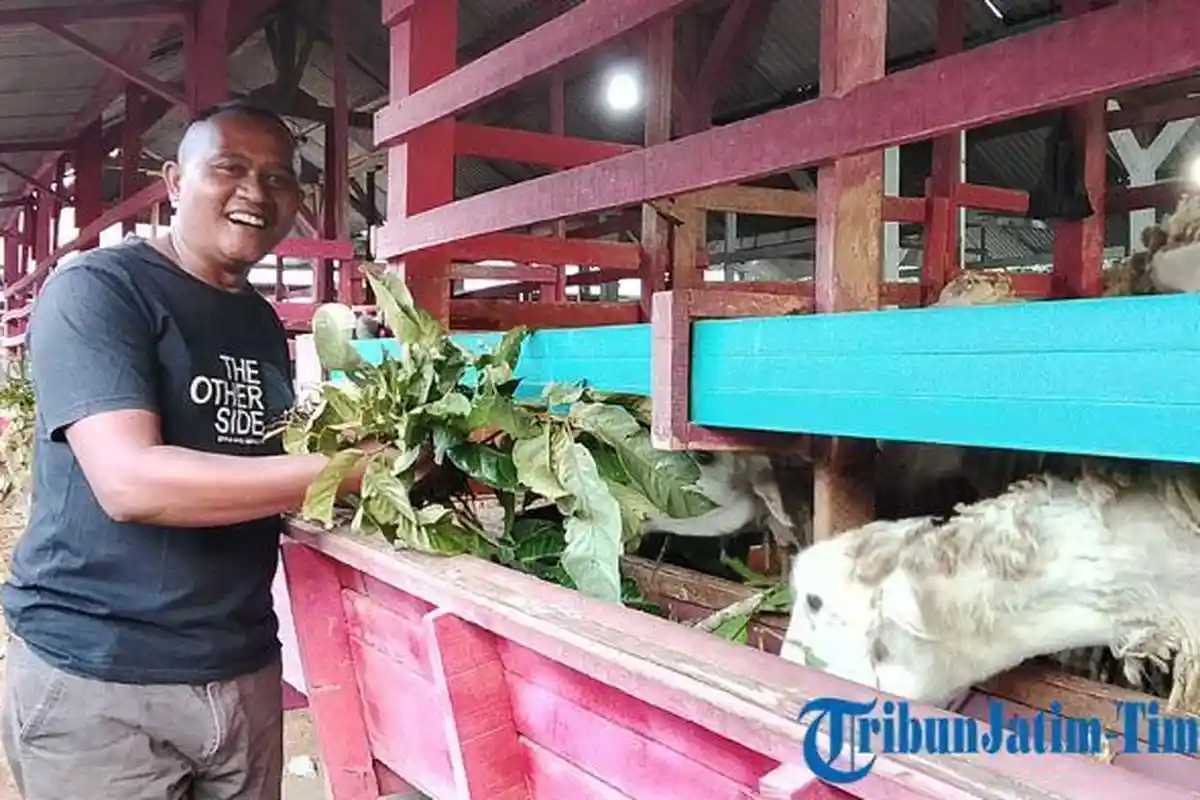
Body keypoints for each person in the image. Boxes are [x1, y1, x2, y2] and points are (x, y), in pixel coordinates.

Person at [1, 100, 366, 799]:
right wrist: (347, 473)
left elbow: (260, 469)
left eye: (279, 178)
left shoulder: (260, 323)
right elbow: (130, 482)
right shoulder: (101, 290)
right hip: (103, 682)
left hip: (241, 667)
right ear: (174, 181)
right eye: (229, 169)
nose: (256, 193)